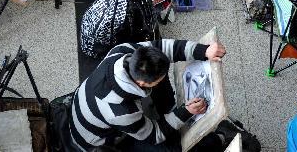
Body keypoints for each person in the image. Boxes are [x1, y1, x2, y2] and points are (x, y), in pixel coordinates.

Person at [69, 37, 228, 151]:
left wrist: (204, 50)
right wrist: (185, 112)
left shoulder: (123, 51)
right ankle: (215, 141)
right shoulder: (121, 111)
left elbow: (163, 47)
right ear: (142, 84)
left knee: (161, 80)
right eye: (158, 79)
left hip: (89, 108)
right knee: (172, 148)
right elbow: (154, 135)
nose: (164, 78)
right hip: (95, 141)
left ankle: (167, 110)